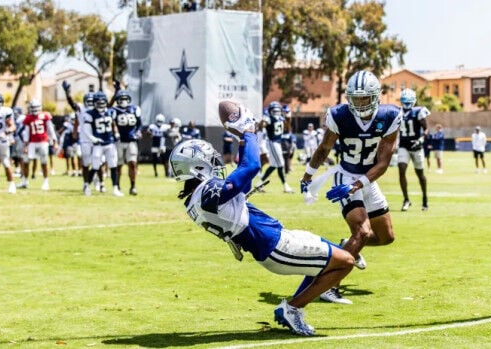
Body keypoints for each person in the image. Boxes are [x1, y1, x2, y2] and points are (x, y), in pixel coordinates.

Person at [170, 100, 355, 336]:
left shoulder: (197, 197)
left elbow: (244, 178)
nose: (216, 164)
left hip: (276, 238)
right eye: (210, 161)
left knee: (334, 256)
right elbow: (251, 167)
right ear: (197, 167)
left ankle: (294, 307)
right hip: (274, 246)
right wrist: (248, 131)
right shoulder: (206, 194)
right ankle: (293, 309)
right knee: (346, 261)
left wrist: (242, 138)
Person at [300, 70, 401, 303]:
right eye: (355, 98)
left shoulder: (390, 115)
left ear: (376, 96)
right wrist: (308, 175)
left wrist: (360, 184)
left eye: (365, 98)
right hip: (345, 177)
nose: (360, 103)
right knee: (363, 231)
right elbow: (324, 149)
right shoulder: (339, 115)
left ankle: (345, 247)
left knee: (386, 237)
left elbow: (383, 162)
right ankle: (328, 285)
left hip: (366, 179)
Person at [62, 80, 104, 195]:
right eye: (88, 101)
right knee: (85, 163)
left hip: (96, 139)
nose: (90, 103)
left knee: (98, 162)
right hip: (85, 140)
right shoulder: (81, 109)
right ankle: (86, 183)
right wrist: (67, 92)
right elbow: (71, 103)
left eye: (92, 101)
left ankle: (101, 182)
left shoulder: (98, 110)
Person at [83, 91, 123, 196]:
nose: (101, 104)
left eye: (102, 102)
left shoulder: (110, 112)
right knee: (95, 166)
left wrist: (116, 133)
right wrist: (93, 138)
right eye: (98, 102)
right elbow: (86, 130)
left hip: (109, 143)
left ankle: (115, 188)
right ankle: (87, 186)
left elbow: (114, 124)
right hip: (98, 144)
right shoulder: (90, 114)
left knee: (113, 165)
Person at [397, 88, 429, 211]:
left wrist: (420, 140)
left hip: (417, 146)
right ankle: (406, 199)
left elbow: (426, 129)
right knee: (401, 170)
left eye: (408, 101)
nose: (406, 103)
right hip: (404, 146)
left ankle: (425, 199)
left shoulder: (418, 111)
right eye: (404, 101)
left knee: (420, 175)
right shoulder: (398, 112)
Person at [21, 99, 58, 190]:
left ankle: (46, 182)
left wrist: (54, 141)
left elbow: (50, 130)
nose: (34, 109)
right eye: (33, 107)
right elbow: (27, 132)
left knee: (44, 162)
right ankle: (25, 181)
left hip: (43, 142)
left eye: (36, 107)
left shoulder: (45, 116)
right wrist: (25, 145)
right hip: (32, 143)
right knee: (26, 162)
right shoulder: (28, 118)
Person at [257, 101, 294, 193]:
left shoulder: (272, 118)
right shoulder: (279, 118)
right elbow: (262, 126)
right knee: (280, 164)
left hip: (276, 142)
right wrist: (264, 120)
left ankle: (259, 184)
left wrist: (264, 119)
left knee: (274, 165)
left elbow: (261, 126)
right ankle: (285, 186)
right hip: (272, 142)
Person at [112, 89, 142, 195]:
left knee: (132, 163)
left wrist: (138, 132)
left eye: (125, 98)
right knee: (118, 165)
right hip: (119, 141)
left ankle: (133, 186)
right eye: (121, 98)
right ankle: (117, 186)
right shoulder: (114, 110)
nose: (123, 100)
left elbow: (139, 124)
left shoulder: (134, 109)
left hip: (131, 140)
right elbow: (112, 123)